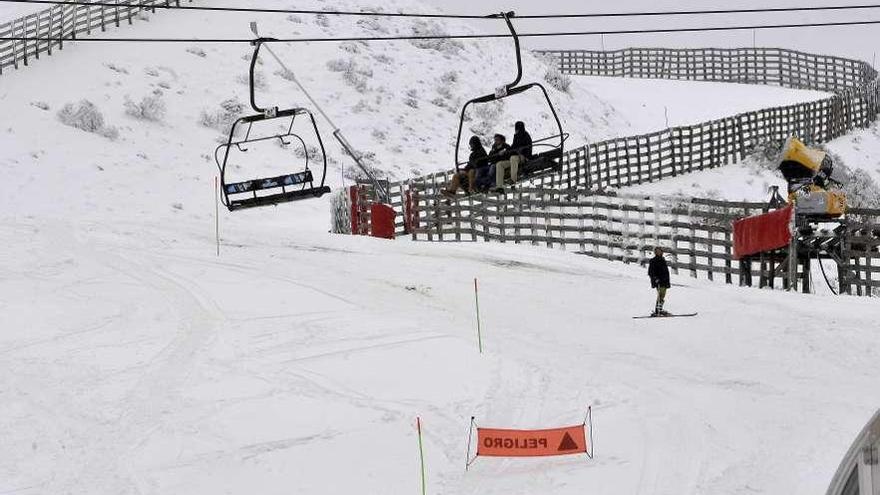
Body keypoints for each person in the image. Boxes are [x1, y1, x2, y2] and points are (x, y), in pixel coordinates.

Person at [494, 121, 533, 191]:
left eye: (517, 128)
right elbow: (513, 147)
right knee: (499, 164)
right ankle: (499, 186)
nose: (516, 130)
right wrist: (505, 151)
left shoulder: (526, 136)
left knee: (513, 158)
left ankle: (513, 180)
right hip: (515, 159)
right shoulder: (516, 136)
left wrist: (525, 156)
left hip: (523, 157)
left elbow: (528, 148)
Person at [648, 246, 671, 317]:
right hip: (659, 281)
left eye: (660, 251)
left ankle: (660, 309)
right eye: (657, 251)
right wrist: (655, 278)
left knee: (662, 295)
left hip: (664, 280)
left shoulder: (662, 259)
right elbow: (650, 272)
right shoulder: (653, 260)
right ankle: (658, 310)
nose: (659, 252)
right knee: (660, 295)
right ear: (655, 252)